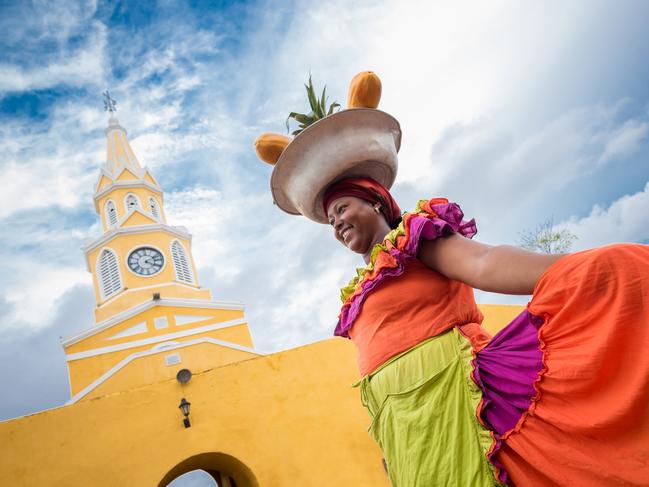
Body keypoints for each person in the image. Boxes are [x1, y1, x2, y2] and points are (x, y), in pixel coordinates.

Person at [255, 73, 649, 486]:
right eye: (330, 218)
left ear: (375, 202)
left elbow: (484, 263)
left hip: (455, 398)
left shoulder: (414, 239)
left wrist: (573, 271)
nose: (335, 224)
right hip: (406, 431)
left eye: (343, 209)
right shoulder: (361, 290)